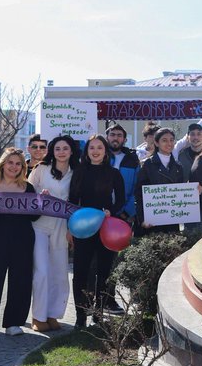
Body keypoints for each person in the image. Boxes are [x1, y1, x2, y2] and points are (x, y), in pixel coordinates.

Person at [0, 148, 37, 339]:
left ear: (23, 167)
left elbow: (35, 216)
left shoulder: (28, 188)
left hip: (23, 239)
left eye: (18, 163)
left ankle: (13, 322)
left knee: (20, 280)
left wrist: (41, 201)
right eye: (10, 162)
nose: (14, 167)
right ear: (2, 164)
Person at [69, 135, 125, 327]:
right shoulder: (79, 172)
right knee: (81, 272)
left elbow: (121, 200)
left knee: (104, 272)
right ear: (86, 151)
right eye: (91, 147)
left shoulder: (114, 173)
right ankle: (81, 315)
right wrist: (71, 226)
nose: (95, 151)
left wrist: (112, 211)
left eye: (99, 147)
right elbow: (72, 200)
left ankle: (98, 313)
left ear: (105, 151)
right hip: (83, 228)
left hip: (106, 228)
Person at [28, 136, 75, 331]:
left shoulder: (76, 173)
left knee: (59, 272)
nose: (61, 152)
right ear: (52, 151)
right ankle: (38, 317)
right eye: (57, 148)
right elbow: (27, 192)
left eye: (65, 148)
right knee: (42, 271)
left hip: (62, 226)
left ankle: (52, 314)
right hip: (39, 225)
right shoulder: (41, 169)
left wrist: (72, 229)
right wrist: (40, 197)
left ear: (71, 151)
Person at [135, 127, 190, 233]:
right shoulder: (148, 164)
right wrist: (142, 219)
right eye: (164, 140)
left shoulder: (178, 166)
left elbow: (180, 193)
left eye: (171, 140)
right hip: (152, 221)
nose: (169, 143)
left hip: (172, 220)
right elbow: (139, 194)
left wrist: (193, 191)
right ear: (156, 143)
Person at [105, 123, 139, 225]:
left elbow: (137, 188)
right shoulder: (100, 157)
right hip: (101, 212)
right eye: (112, 135)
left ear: (125, 139)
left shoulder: (132, 160)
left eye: (119, 135)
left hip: (124, 215)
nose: (115, 138)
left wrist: (127, 212)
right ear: (106, 138)